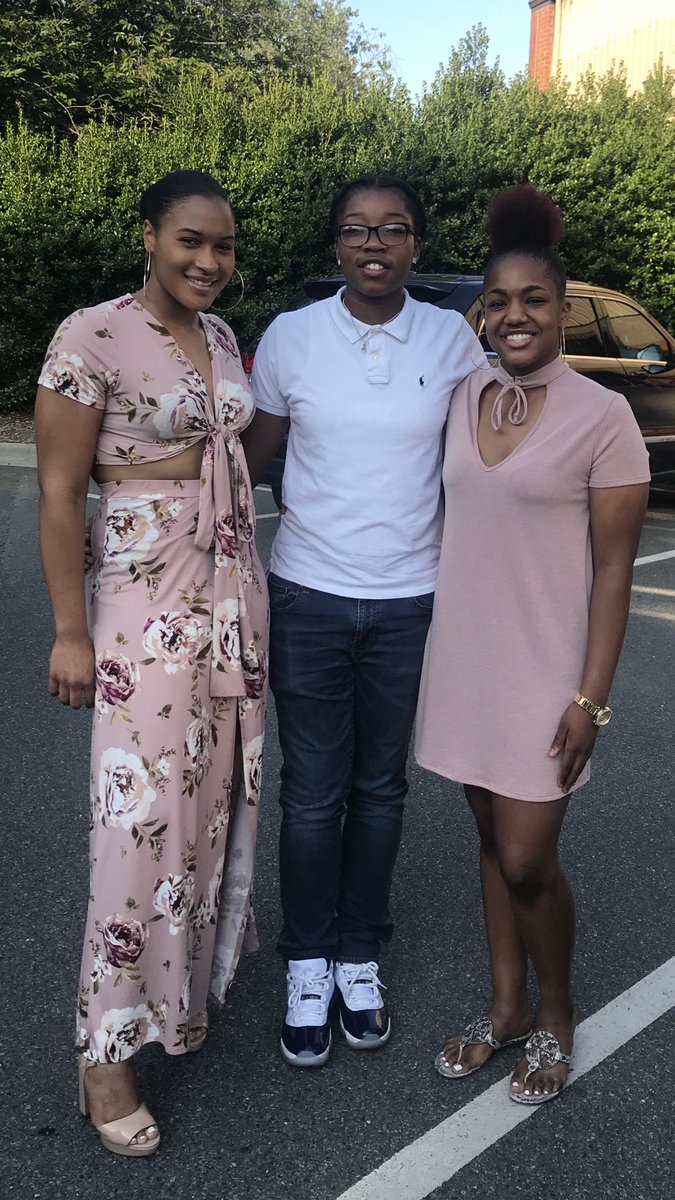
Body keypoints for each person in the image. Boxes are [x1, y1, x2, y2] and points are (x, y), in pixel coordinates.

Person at [35, 170, 268, 1155]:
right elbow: (59, 494)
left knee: (205, 813)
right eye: (190, 241)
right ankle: (104, 1054)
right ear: (148, 237)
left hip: (229, 602)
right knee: (136, 827)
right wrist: (70, 631)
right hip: (143, 609)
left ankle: (171, 1006)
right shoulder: (89, 336)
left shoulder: (220, 335)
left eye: (223, 246)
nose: (209, 261)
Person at [242, 173, 486, 1067]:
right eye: (355, 229)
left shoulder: (451, 338)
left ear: (416, 244)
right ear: (336, 244)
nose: (373, 244)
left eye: (392, 229)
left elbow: (485, 458)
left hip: (409, 601)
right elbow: (249, 463)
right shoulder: (292, 337)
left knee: (380, 789)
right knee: (313, 793)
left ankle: (357, 955)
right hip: (307, 594)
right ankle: (307, 964)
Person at [415, 184, 650, 1104]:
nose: (514, 316)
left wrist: (590, 699)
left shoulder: (604, 416)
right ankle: (505, 1005)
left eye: (534, 300)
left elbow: (616, 572)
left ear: (560, 310)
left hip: (546, 672)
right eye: (498, 302)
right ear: (482, 313)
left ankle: (556, 1013)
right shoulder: (462, 393)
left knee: (525, 857)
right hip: (462, 662)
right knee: (488, 840)